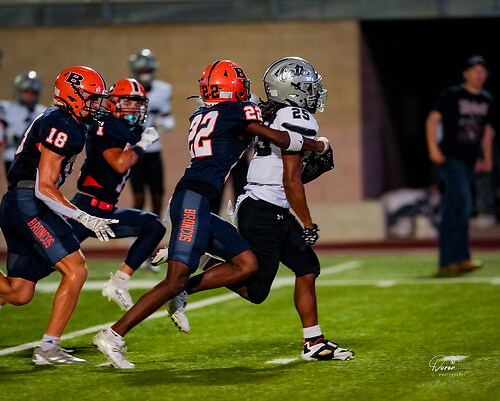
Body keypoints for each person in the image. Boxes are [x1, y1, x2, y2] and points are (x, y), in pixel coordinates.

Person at [93, 59, 329, 369]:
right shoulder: (234, 111)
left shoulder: (203, 113)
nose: (246, 89)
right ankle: (112, 335)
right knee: (174, 282)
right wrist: (318, 145)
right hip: (194, 199)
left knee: (247, 265)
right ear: (230, 88)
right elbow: (282, 139)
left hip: (196, 199)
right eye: (241, 84)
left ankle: (193, 254)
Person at [154, 57, 353, 361]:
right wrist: (308, 223)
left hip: (264, 204)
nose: (314, 92)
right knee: (255, 290)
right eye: (308, 87)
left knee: (307, 267)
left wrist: (312, 168)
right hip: (265, 208)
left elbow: (282, 170)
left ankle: (313, 342)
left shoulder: (268, 112)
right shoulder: (296, 116)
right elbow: (290, 179)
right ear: (292, 90)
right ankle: (184, 285)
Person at [0, 66, 118, 365]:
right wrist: (83, 217)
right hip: (28, 202)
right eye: (91, 99)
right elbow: (44, 187)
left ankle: (49, 348)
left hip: (18, 202)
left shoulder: (62, 120)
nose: (95, 105)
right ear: (72, 95)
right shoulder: (63, 124)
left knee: (19, 292)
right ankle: (48, 348)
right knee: (76, 269)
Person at [68, 78, 166, 311]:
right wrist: (143, 144)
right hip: (87, 211)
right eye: (128, 102)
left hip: (106, 211)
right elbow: (120, 164)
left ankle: (118, 282)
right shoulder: (108, 124)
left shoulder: (128, 128)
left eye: (138, 103)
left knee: (154, 226)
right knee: (41, 266)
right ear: (113, 103)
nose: (134, 108)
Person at [426, 55, 495, 277]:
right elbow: (432, 119)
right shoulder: (452, 94)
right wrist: (433, 148)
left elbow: (486, 131)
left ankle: (454, 260)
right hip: (451, 158)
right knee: (463, 204)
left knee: (454, 208)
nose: (479, 75)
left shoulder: (487, 99)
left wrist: (487, 158)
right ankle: (454, 259)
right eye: (474, 71)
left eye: (482, 71)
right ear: (465, 73)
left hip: (470, 161)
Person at [0, 71, 46, 176]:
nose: (29, 96)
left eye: (33, 93)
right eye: (26, 92)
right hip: (12, 156)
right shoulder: (5, 109)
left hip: (35, 158)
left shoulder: (43, 112)